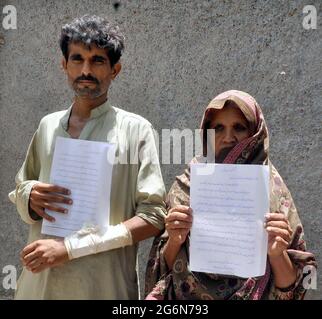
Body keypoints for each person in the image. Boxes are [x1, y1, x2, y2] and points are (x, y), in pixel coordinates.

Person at [8, 15, 166, 299]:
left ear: (115, 70)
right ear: (64, 65)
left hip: (103, 287)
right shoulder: (48, 126)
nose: (85, 70)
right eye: (77, 59)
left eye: (97, 61)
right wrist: (30, 197)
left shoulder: (135, 130)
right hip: (41, 286)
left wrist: (70, 248)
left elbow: (153, 217)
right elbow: (20, 190)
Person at [144, 90, 316, 300]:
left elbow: (294, 287)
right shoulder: (188, 185)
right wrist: (174, 240)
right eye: (218, 128)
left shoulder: (273, 190)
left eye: (239, 128)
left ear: (255, 132)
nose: (228, 138)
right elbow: (163, 270)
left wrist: (277, 253)